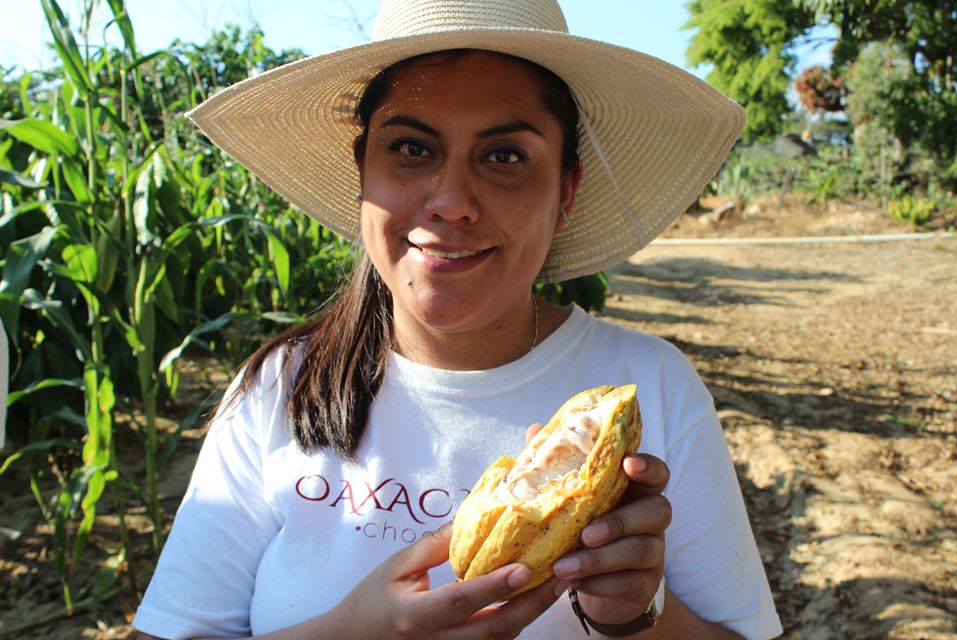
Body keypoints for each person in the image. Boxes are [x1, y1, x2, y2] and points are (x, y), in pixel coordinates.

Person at [134, 0, 782, 638]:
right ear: (362, 174)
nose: (450, 202)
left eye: (504, 157)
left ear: (566, 191)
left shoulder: (652, 384)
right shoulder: (282, 386)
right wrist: (351, 633)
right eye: (412, 147)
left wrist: (640, 617)